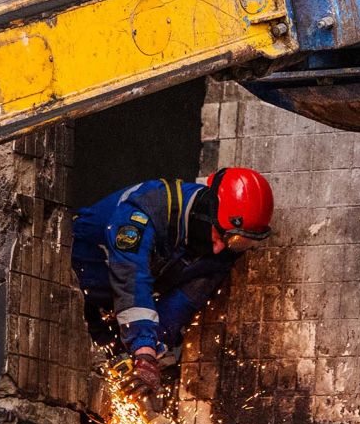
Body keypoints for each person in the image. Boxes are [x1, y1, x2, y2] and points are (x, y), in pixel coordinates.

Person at [70, 167, 274, 395]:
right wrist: (143, 348)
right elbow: (132, 277)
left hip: (114, 311)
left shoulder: (224, 251)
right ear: (209, 209)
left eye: (240, 243)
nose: (220, 248)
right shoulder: (147, 208)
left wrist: (154, 351)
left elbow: (181, 304)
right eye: (229, 238)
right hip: (70, 286)